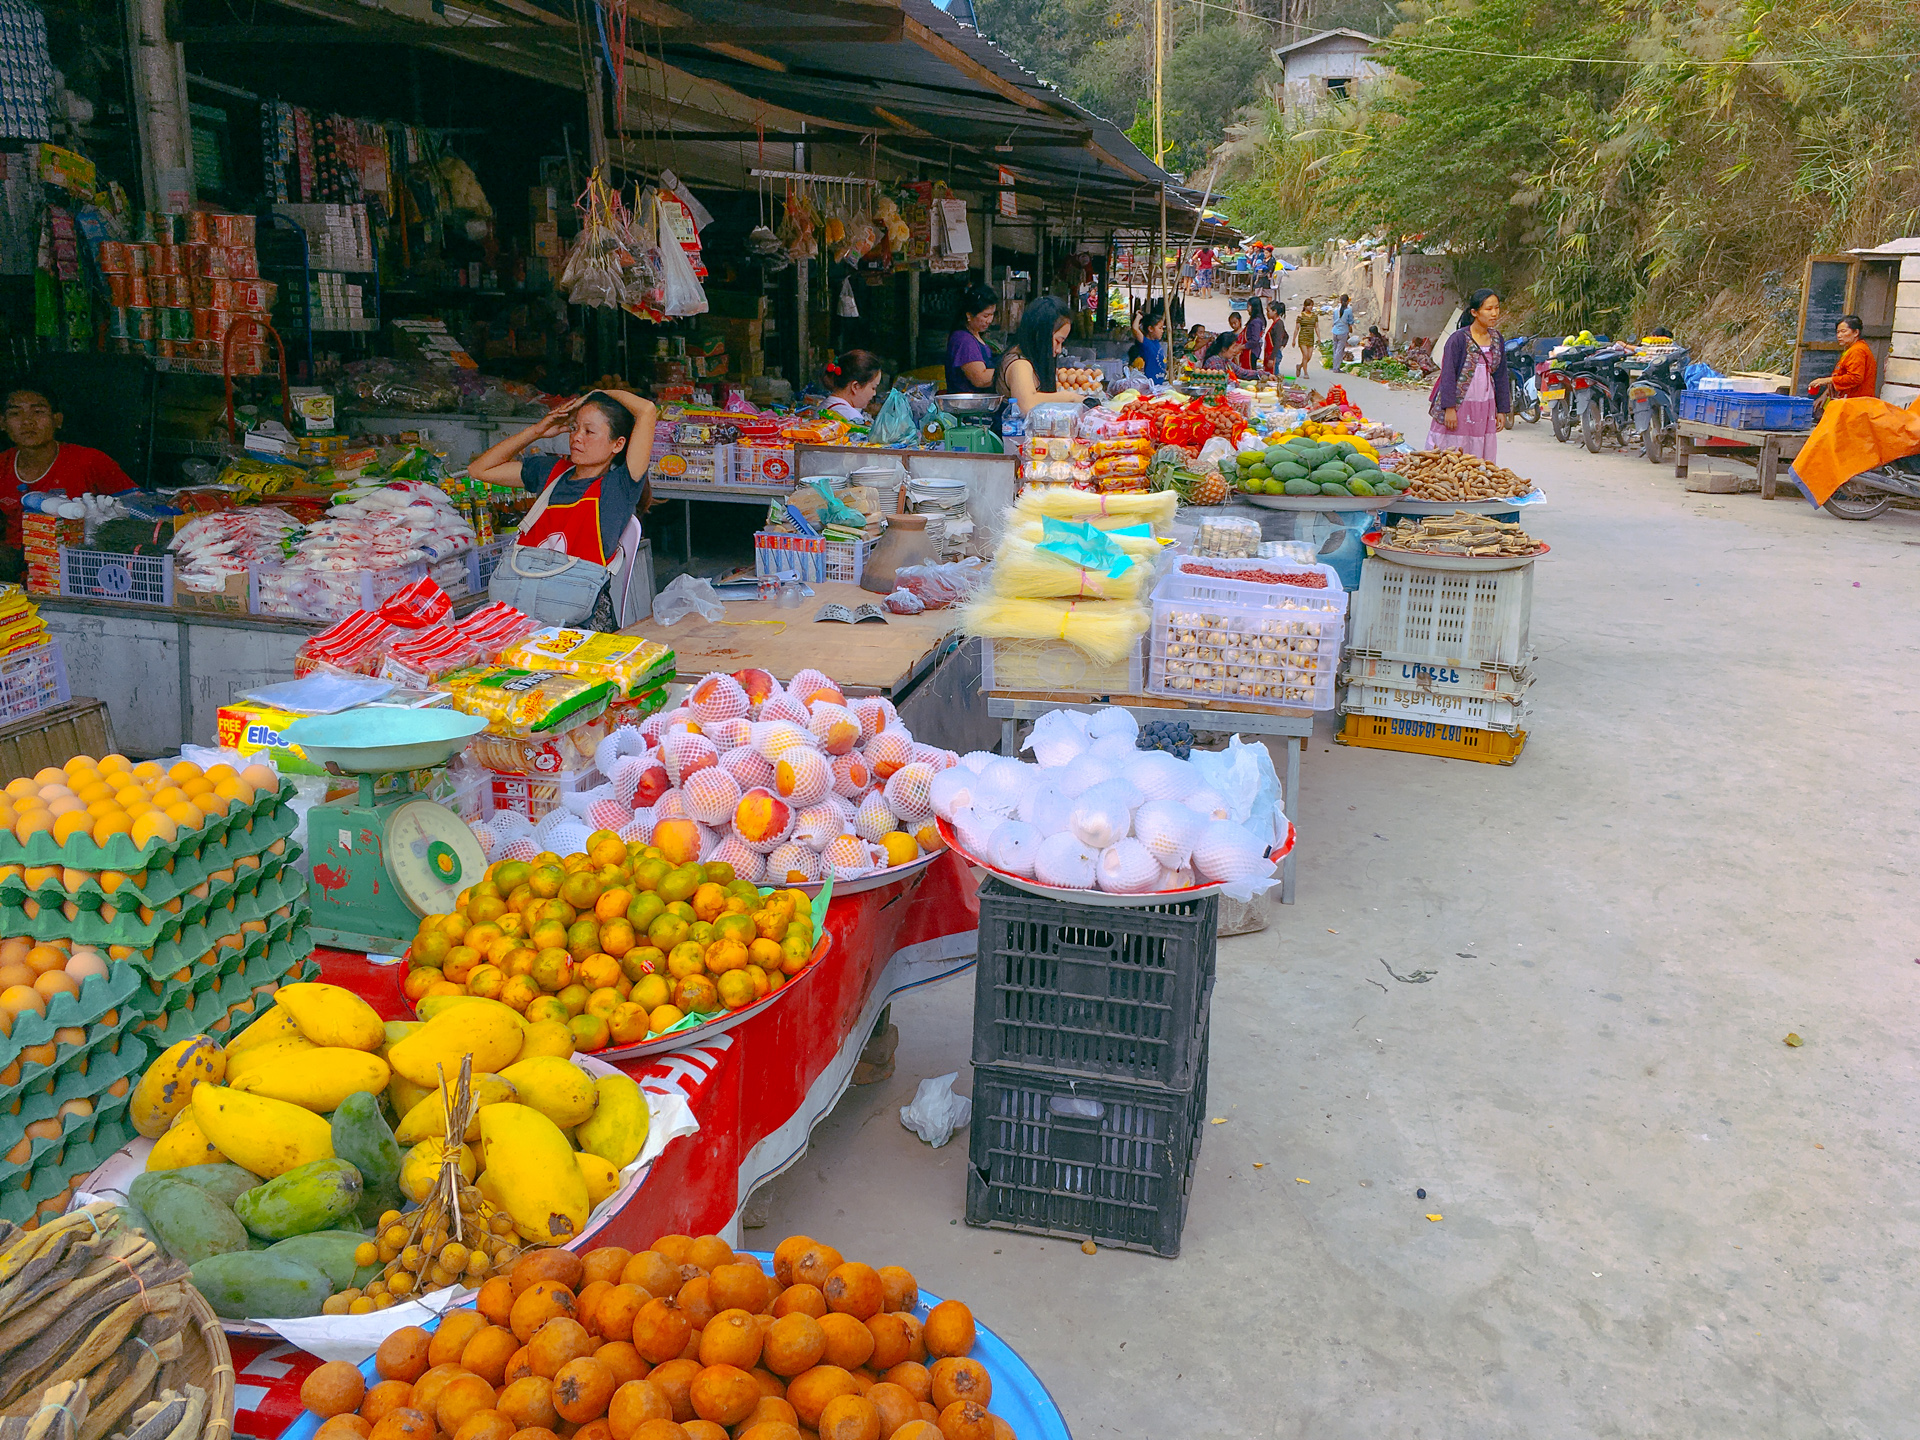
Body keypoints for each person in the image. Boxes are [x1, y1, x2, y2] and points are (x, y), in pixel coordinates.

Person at [467, 388, 657, 627]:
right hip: (522, 606)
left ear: (617, 445)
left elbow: (647, 410)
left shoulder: (619, 487)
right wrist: (536, 431)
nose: (577, 437)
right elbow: (479, 470)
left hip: (580, 619)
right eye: (575, 428)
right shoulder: (551, 471)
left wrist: (597, 392)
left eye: (589, 431)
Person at [0, 382, 137, 580]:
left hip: (78, 565)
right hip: (14, 568)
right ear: (2, 423)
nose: (27, 421)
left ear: (57, 420)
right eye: (15, 414)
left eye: (38, 412)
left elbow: (137, 506)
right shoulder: (2, 465)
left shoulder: (89, 461)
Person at [1427, 288, 1513, 460]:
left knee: (1478, 446)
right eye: (1488, 309)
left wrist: (1502, 410)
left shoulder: (1497, 338)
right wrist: (1449, 408)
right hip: (1460, 403)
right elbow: (1448, 374)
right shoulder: (1458, 339)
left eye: (1496, 308)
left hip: (1485, 404)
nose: (1494, 313)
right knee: (1453, 447)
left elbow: (1501, 375)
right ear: (1474, 312)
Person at [997, 296, 1091, 413]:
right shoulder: (1019, 364)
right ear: (1040, 334)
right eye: (1057, 341)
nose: (1058, 350)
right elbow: (1027, 404)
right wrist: (1069, 398)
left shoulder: (1031, 360)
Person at [944, 283, 998, 394]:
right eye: (985, 316)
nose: (989, 320)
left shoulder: (976, 336)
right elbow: (980, 379)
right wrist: (1010, 372)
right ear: (969, 315)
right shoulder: (963, 340)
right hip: (968, 407)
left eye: (992, 314)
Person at [1811, 314, 1878, 400]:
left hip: (1855, 402)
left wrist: (1826, 380)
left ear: (1856, 333)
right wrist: (1826, 394)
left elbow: (1855, 378)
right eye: (1838, 332)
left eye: (1843, 331)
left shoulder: (1857, 350)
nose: (1839, 335)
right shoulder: (1851, 349)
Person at [820, 350, 884, 425]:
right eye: (873, 388)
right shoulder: (851, 417)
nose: (874, 393)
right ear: (855, 386)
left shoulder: (824, 405)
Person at [1239, 298, 1269, 374]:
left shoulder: (1256, 322)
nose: (1247, 309)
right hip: (1253, 351)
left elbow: (1254, 340)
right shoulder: (1259, 320)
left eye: (1249, 306)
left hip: (1251, 352)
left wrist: (1242, 346)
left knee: (1250, 372)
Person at [1328, 293, 1355, 373]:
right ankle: (1336, 368)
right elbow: (1351, 322)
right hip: (1343, 332)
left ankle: (1334, 365)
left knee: (1335, 349)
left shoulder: (1336, 310)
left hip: (1335, 331)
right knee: (1339, 351)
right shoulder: (1348, 310)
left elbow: (1334, 319)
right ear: (1347, 301)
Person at [1293, 300, 1319, 378]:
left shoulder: (1314, 316)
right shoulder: (1300, 316)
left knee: (1309, 356)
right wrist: (1294, 339)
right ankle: (1305, 373)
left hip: (1310, 338)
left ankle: (1300, 366)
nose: (1311, 307)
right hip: (1303, 337)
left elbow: (1316, 327)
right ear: (1305, 306)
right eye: (1309, 305)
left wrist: (1319, 337)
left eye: (1312, 305)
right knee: (1305, 355)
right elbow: (1297, 328)